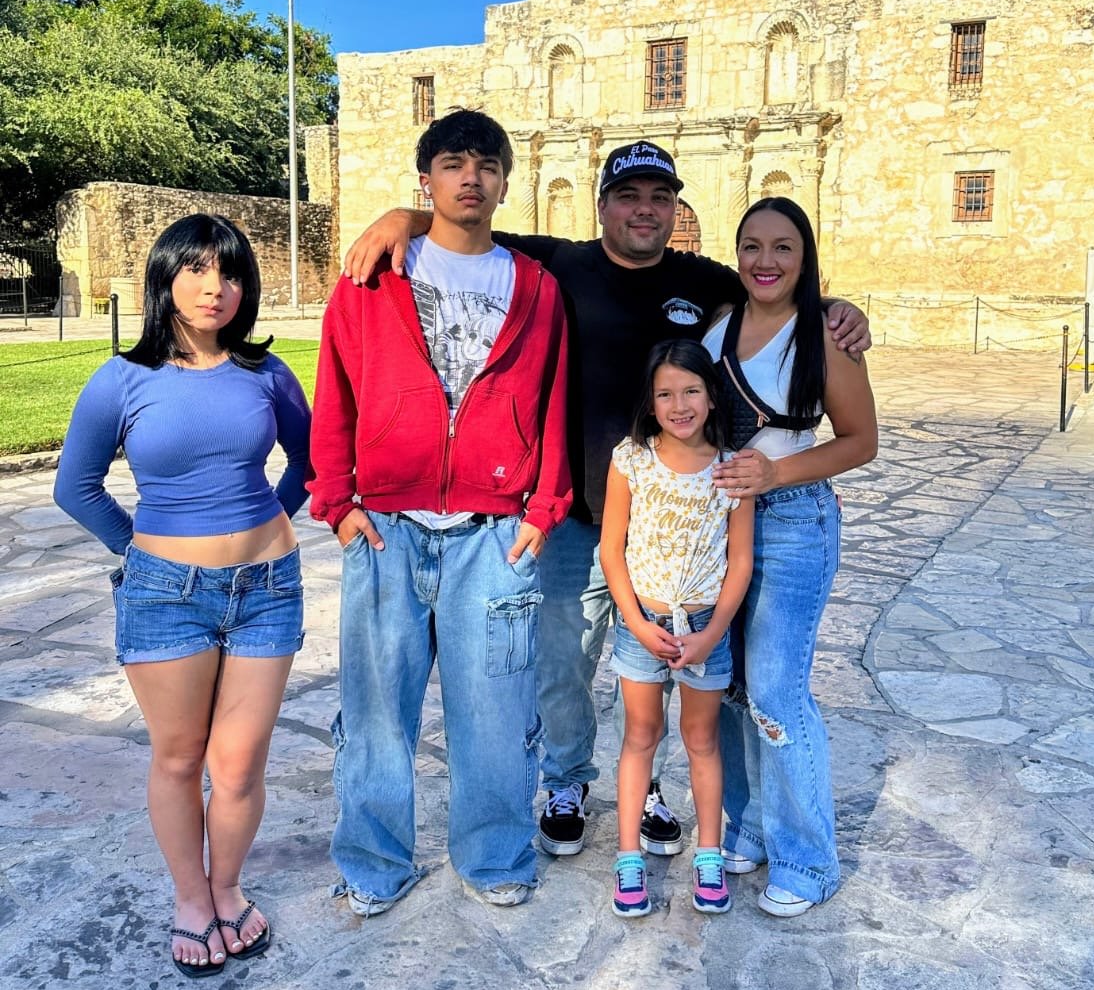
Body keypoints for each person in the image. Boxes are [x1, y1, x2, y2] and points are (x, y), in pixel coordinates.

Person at [343, 141, 870, 861]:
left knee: (658, 664)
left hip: (666, 522)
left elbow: (771, 285)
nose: (645, 210)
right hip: (571, 514)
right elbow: (468, 227)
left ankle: (646, 784)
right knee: (562, 666)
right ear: (602, 206)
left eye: (660, 197)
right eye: (629, 196)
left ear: (675, 208)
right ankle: (566, 780)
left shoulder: (704, 282)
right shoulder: (559, 263)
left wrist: (836, 308)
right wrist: (403, 214)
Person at [309, 109, 571, 913]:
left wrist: (541, 508)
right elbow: (335, 391)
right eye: (453, 163)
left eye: (487, 164)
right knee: (378, 710)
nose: (470, 177)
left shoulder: (535, 286)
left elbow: (555, 395)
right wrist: (339, 503)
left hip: (494, 533)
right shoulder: (373, 276)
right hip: (386, 528)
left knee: (493, 709)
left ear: (504, 181)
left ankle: (494, 857)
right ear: (427, 180)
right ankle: (373, 865)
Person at [54, 215, 311, 977]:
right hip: (165, 595)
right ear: (165, 279)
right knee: (178, 758)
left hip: (268, 587)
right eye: (197, 270)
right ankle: (191, 901)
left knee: (237, 765)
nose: (214, 287)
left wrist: (270, 522)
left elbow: (311, 461)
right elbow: (76, 486)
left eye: (229, 273)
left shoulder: (268, 374)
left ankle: (226, 889)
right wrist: (140, 549)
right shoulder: (122, 379)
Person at [703, 197, 877, 917]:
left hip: (794, 521)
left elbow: (860, 440)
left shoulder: (824, 336)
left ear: (804, 259)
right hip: (721, 525)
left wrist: (774, 474)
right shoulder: (718, 327)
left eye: (782, 248)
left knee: (777, 689)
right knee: (733, 690)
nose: (765, 261)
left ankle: (809, 859)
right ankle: (748, 827)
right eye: (751, 246)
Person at [600, 340, 754, 919]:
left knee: (702, 741)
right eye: (665, 393)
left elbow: (739, 561)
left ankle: (708, 853)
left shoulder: (731, 468)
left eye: (691, 390)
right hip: (643, 624)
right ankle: (628, 856)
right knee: (640, 736)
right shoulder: (631, 459)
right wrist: (637, 623)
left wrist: (712, 634)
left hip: (704, 632)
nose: (679, 403)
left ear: (712, 397)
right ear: (651, 401)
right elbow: (612, 550)